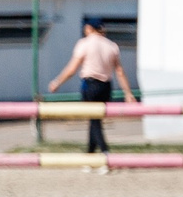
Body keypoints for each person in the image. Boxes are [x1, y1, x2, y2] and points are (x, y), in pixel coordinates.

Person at [46, 19, 125, 154]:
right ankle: (90, 154)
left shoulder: (84, 44)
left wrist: (57, 82)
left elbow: (72, 69)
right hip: (106, 86)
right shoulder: (111, 45)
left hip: (90, 85)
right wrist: (127, 92)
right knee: (95, 119)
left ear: (89, 28)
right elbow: (119, 71)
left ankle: (105, 152)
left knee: (94, 121)